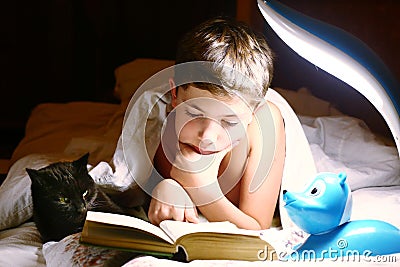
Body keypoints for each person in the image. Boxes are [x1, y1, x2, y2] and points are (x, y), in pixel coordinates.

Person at [146, 17, 285, 230]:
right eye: (194, 113)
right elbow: (126, 187)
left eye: (229, 122)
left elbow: (258, 228)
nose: (207, 137)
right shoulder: (158, 126)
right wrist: (167, 186)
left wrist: (199, 188)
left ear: (253, 112)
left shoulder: (264, 123)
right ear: (174, 93)